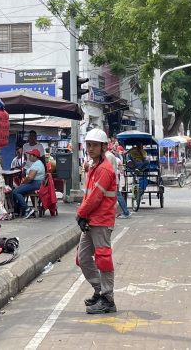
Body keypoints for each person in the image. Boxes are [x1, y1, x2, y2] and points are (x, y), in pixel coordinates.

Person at [76, 128, 118, 315]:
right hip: (91, 219)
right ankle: (100, 290)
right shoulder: (94, 167)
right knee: (83, 258)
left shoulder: (104, 169)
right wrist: (84, 215)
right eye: (88, 145)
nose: (90, 148)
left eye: (94, 145)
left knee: (103, 259)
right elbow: (88, 196)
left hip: (101, 221)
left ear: (103, 147)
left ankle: (108, 299)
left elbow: (95, 197)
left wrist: (80, 213)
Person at [12, 150, 47, 218]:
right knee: (20, 192)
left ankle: (27, 209)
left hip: (35, 183)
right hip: (36, 183)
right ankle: (18, 210)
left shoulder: (37, 164)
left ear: (35, 156)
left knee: (15, 191)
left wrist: (23, 183)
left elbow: (30, 177)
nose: (29, 157)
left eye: (30, 155)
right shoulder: (37, 163)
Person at [114, 150, 132, 219]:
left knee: (118, 195)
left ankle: (126, 212)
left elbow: (121, 170)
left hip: (113, 180)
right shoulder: (117, 159)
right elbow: (122, 170)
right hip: (115, 180)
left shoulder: (108, 159)